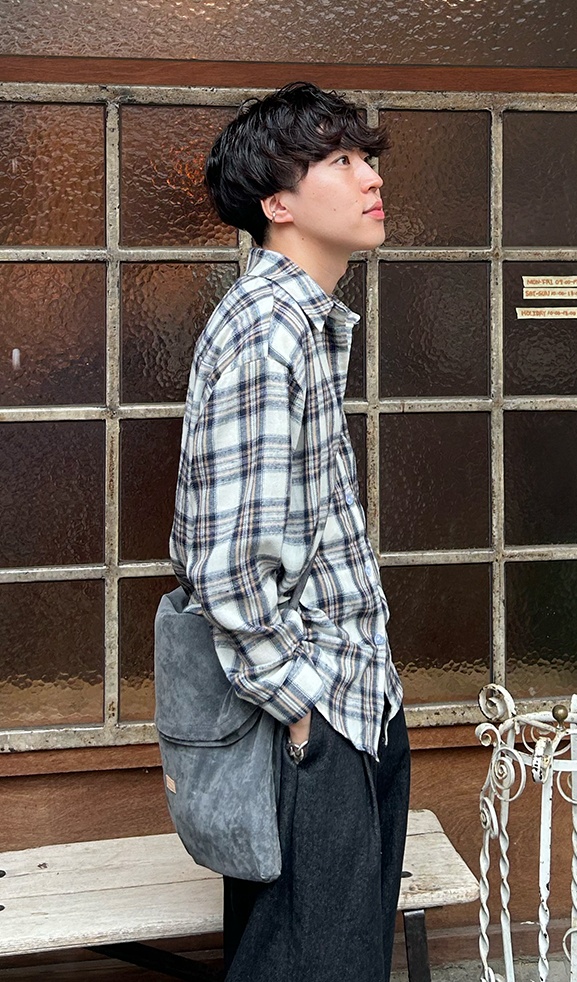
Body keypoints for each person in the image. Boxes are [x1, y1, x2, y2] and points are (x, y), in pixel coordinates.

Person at [168, 82, 410, 982]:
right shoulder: (268, 334)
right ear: (278, 204)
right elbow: (228, 567)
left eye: (366, 157)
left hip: (349, 697)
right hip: (313, 716)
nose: (370, 178)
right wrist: (306, 718)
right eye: (340, 161)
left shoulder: (299, 323)